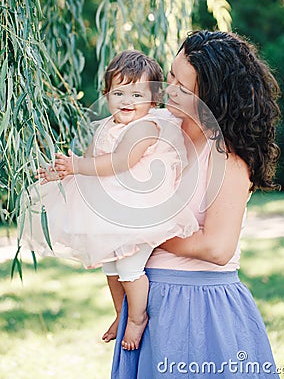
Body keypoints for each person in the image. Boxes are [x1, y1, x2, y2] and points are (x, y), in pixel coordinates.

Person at [111, 31, 281, 378]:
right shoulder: (157, 129)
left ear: (212, 96)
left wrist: (138, 232)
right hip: (147, 300)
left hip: (197, 306)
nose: (167, 88)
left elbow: (218, 247)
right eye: (171, 74)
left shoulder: (228, 156)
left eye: (183, 87)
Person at [21, 50, 198, 352]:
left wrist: (76, 164)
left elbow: (120, 161)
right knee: (110, 268)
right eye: (119, 92)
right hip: (109, 208)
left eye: (137, 94)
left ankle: (138, 316)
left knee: (129, 267)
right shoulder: (105, 126)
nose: (127, 101)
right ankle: (121, 312)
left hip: (138, 208)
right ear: (106, 94)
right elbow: (91, 160)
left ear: (153, 100)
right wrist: (63, 172)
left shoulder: (146, 126)